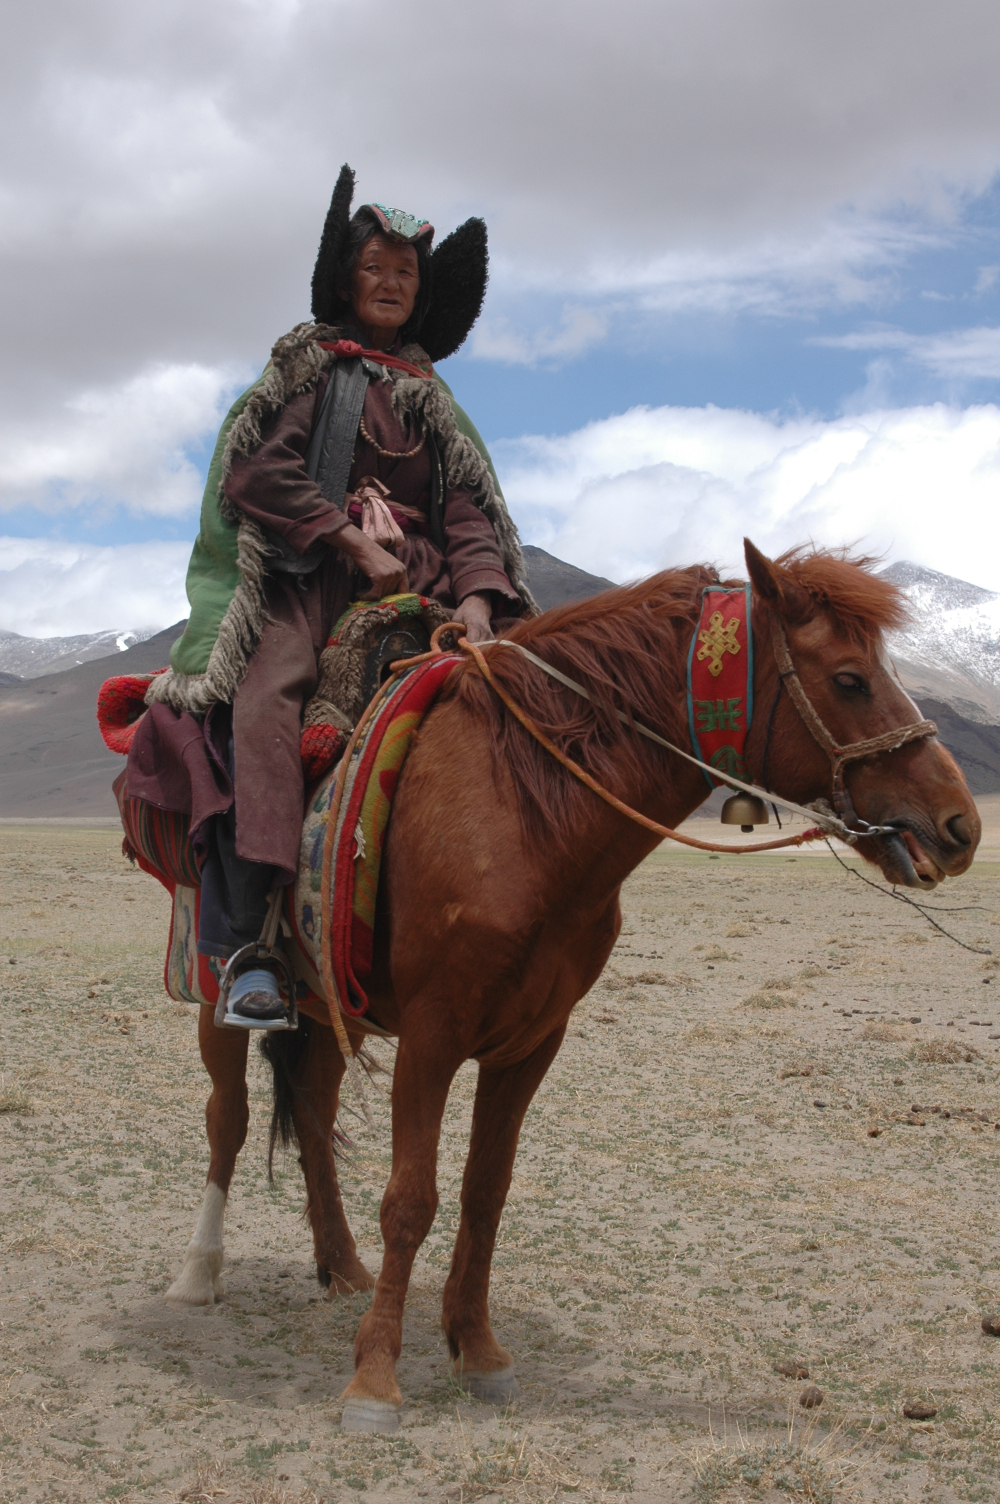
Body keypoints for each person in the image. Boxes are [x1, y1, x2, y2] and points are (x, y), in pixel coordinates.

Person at [125, 165, 533, 1027]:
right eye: (376, 267)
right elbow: (257, 472)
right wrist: (346, 536)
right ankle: (251, 947)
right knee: (264, 705)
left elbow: (468, 514)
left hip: (423, 590)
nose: (389, 284)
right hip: (304, 581)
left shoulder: (430, 401)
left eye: (406, 273)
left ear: (422, 293)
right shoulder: (309, 370)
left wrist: (479, 604)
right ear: (347, 276)